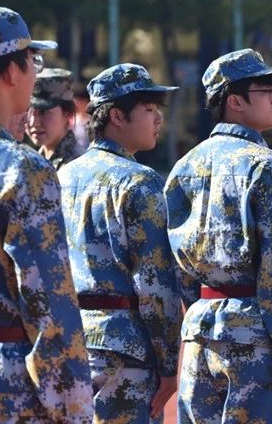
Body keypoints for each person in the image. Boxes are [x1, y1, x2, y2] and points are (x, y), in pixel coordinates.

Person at [0, 6, 93, 423]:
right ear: (10, 72)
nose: (35, 72)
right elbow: (49, 305)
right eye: (33, 60)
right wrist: (75, 408)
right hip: (14, 391)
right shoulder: (21, 168)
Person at [165, 49, 272, 423]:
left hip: (199, 330)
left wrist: (201, 308)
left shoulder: (184, 166)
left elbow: (177, 268)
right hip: (253, 336)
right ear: (235, 101)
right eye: (266, 89)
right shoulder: (267, 166)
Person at [58, 63, 182, 423]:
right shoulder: (139, 182)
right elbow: (155, 285)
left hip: (72, 340)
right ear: (116, 115)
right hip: (125, 351)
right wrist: (168, 362)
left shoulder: (62, 176)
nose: (158, 118)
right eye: (148, 109)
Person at [27, 67, 84, 169]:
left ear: (67, 114)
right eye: (28, 111)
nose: (33, 122)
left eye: (43, 112)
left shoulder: (78, 165)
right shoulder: (35, 161)